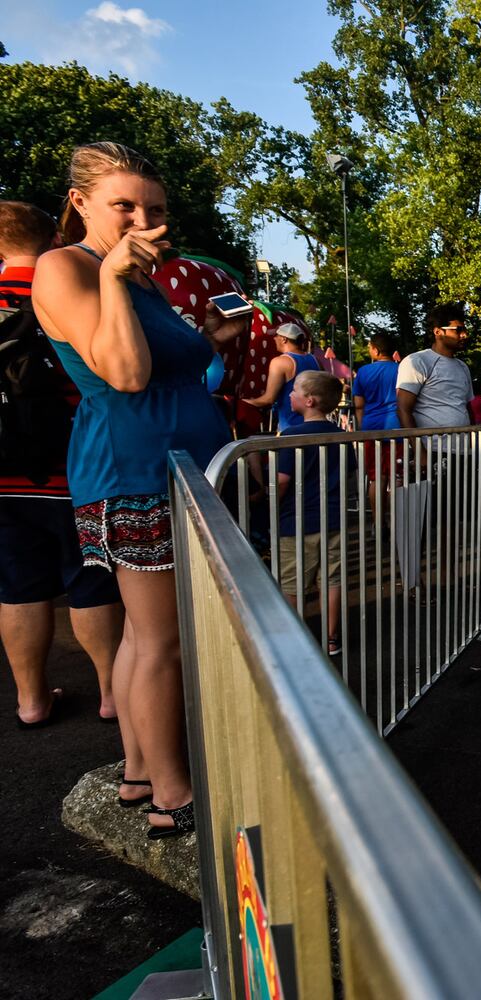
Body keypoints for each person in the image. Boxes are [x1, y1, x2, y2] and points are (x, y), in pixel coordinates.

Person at [33, 142, 240, 838]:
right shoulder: (65, 267)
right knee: (163, 641)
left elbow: (171, 369)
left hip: (179, 466)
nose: (142, 219)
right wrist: (117, 279)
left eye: (153, 208)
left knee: (145, 637)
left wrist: (209, 336)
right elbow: (121, 373)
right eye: (125, 205)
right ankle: (174, 799)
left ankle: (139, 773)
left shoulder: (143, 278)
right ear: (80, 202)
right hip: (136, 472)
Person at [0, 200, 124, 730]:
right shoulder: (68, 285)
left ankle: (31, 700)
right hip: (75, 462)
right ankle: (111, 693)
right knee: (91, 581)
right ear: (54, 236)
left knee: (18, 586)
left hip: (4, 472)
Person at [275, 370, 345, 656]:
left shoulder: (291, 436)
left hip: (296, 521)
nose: (290, 394)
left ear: (310, 401)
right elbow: (349, 474)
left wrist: (269, 504)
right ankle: (331, 638)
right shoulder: (340, 435)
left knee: (292, 582)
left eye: (295, 391)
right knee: (332, 579)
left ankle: (295, 639)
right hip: (334, 517)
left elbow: (282, 480)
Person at [396, 304, 471, 429]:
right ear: (438, 332)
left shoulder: (462, 367)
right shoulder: (417, 361)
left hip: (462, 447)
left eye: (465, 330)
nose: (464, 335)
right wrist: (419, 448)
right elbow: (403, 410)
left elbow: (466, 407)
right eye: (458, 330)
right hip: (432, 447)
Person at [247, 322, 320, 431]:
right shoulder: (316, 360)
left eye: (276, 336)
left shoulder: (280, 362)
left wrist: (243, 403)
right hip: (315, 426)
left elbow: (268, 399)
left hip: (291, 428)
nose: (274, 339)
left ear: (284, 339)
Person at [352, 333, 400, 430]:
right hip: (397, 425)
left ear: (376, 350)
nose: (368, 350)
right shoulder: (402, 369)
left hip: (371, 426)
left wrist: (362, 426)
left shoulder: (363, 371)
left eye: (370, 347)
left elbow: (359, 405)